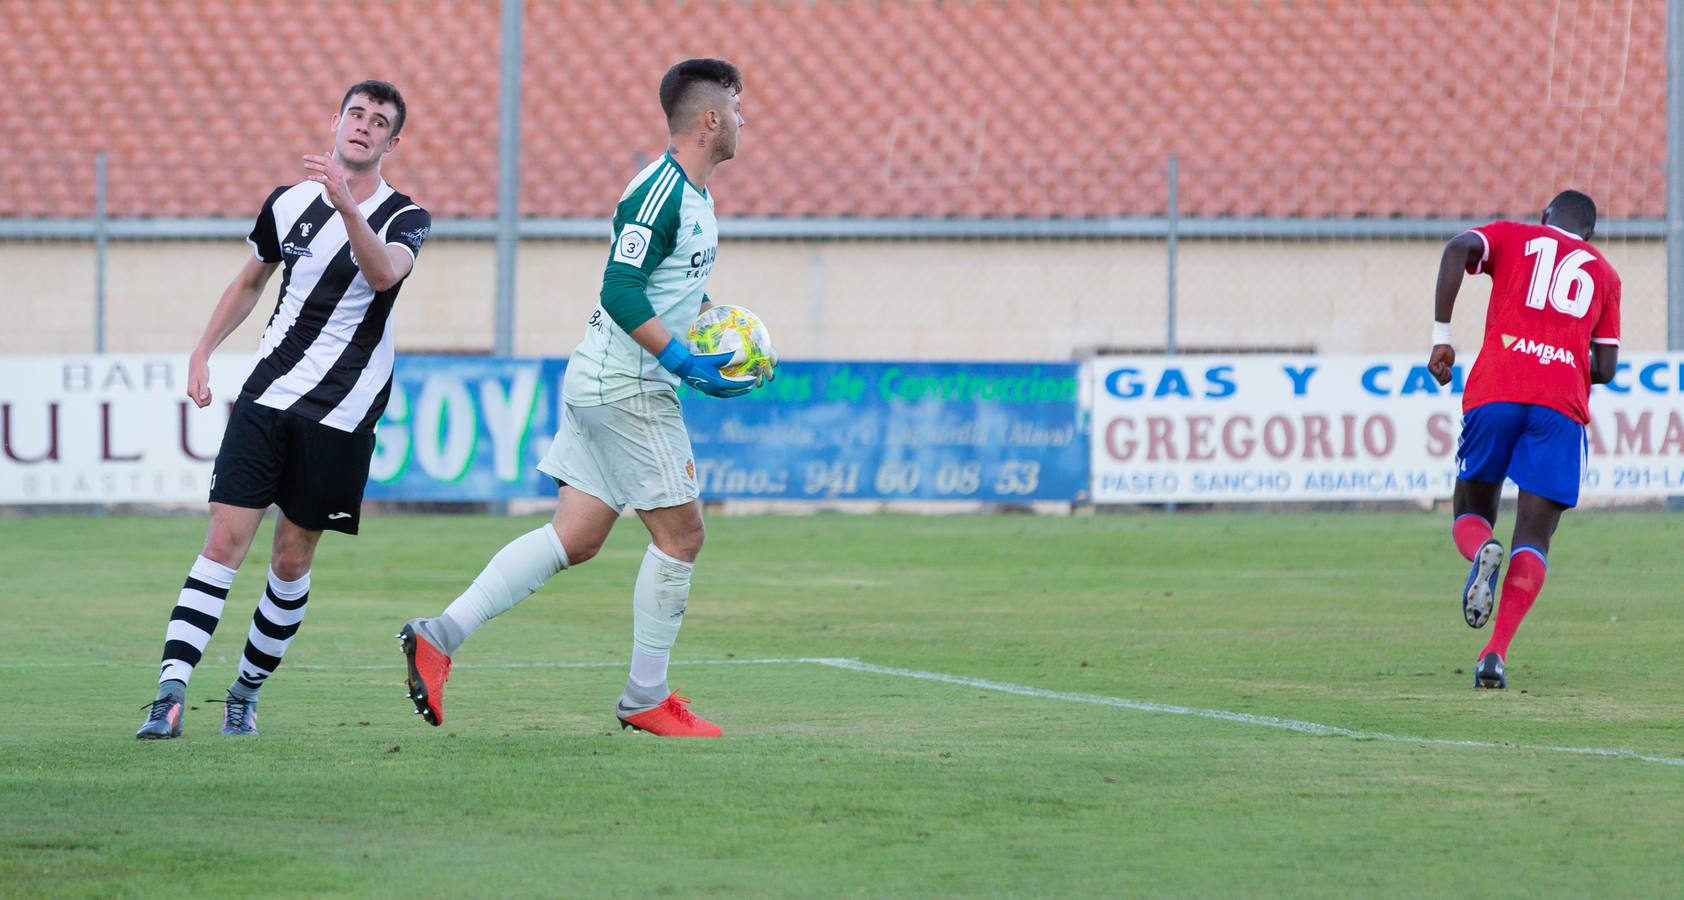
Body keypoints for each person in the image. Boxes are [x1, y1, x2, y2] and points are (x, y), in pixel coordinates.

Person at [399, 59, 764, 738]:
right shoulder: (659, 192)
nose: (746, 122)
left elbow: (664, 289)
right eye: (739, 110)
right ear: (710, 120)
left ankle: (439, 635)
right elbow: (620, 290)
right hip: (628, 387)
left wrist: (719, 330)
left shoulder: (697, 195)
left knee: (576, 536)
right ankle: (644, 696)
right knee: (682, 537)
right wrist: (683, 361)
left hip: (604, 379)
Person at [135, 80, 431, 738]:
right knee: (222, 541)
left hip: (343, 415)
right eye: (355, 113)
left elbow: (383, 274)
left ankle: (245, 690)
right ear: (336, 120)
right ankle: (170, 693)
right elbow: (249, 282)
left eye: (379, 121)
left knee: (291, 560)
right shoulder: (287, 203)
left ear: (391, 141)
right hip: (266, 400)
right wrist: (201, 352)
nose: (363, 126)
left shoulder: (407, 216)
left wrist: (346, 203)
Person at [1428, 189, 1620, 689]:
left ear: (1545, 218)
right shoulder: (1604, 274)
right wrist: (1560, 354)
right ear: (1590, 234)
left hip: (1498, 389)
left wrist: (1440, 338)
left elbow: (1455, 249)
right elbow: (1605, 367)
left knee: (1471, 507)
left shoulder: (1514, 236)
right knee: (1534, 540)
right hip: (1559, 406)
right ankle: (1494, 653)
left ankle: (1481, 550)